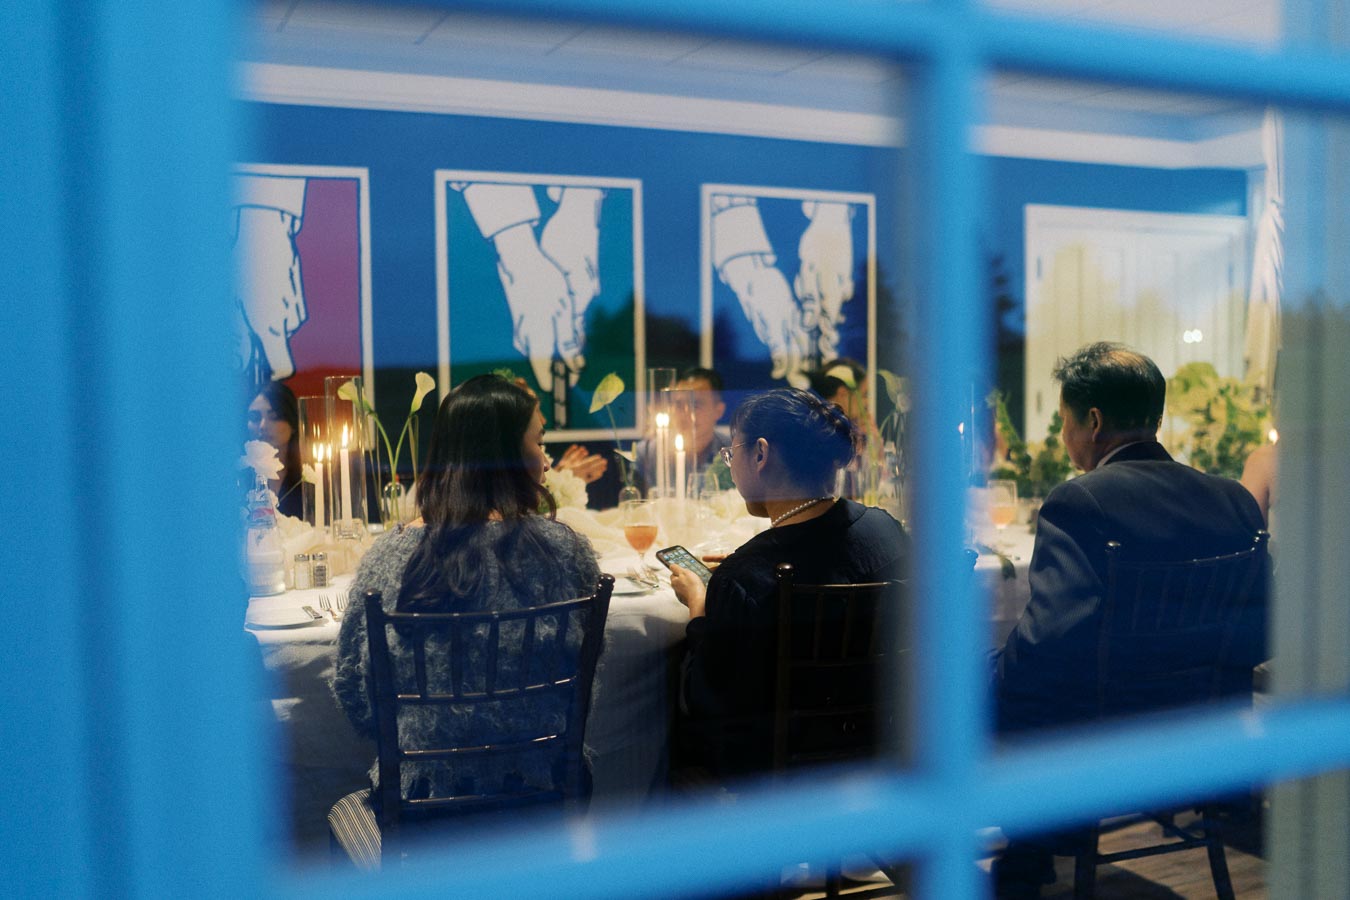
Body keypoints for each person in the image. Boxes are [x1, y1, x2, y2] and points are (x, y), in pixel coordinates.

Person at [991, 343, 1267, 898]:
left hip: (1106, 734)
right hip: (1206, 733)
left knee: (981, 689)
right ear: (1155, 416)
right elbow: (1263, 628)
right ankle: (1034, 847)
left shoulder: (1080, 502)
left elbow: (1048, 645)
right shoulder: (1235, 502)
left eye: (1065, 422)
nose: (1066, 437)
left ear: (1092, 422)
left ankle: (1025, 853)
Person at [331, 374, 602, 801]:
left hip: (423, 801)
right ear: (505, 455)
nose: (547, 461)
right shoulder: (564, 551)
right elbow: (584, 681)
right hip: (544, 790)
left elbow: (354, 693)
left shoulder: (388, 558)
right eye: (539, 442)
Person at [669, 388, 910, 778]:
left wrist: (700, 605)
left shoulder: (745, 576)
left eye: (732, 453)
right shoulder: (886, 530)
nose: (730, 464)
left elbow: (706, 702)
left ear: (761, 454)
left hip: (781, 781)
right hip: (885, 755)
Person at [635, 367, 733, 494]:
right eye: (679, 405)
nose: (686, 415)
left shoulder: (734, 453)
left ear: (718, 411)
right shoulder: (649, 452)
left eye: (695, 406)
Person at [246, 380, 303, 518]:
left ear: (293, 424)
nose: (263, 426)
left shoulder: (310, 478)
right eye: (255, 417)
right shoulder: (236, 478)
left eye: (274, 417)